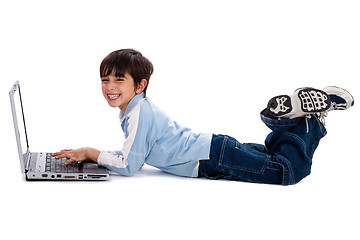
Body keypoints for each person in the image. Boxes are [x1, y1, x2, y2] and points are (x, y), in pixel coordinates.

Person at [53, 49, 355, 185]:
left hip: (211, 157)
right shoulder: (136, 110)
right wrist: (96, 157)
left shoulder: (138, 114)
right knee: (275, 155)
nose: (110, 87)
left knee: (288, 172)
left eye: (119, 80)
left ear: (140, 85)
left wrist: (92, 153)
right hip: (214, 150)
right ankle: (298, 118)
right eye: (105, 80)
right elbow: (134, 153)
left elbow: (130, 164)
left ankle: (306, 120)